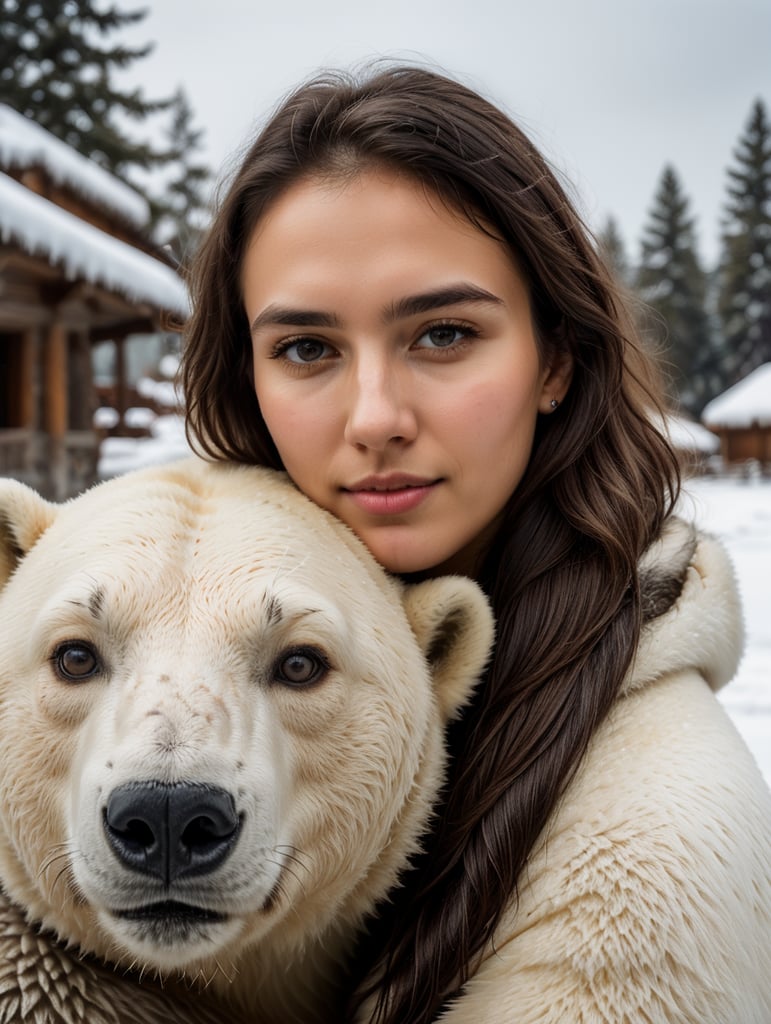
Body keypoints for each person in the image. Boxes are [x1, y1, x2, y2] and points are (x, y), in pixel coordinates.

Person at [180, 66, 771, 1023]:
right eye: (306, 349)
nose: (374, 418)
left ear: (556, 358)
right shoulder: (160, 663)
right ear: (244, 377)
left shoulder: (657, 835)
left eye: (443, 334)